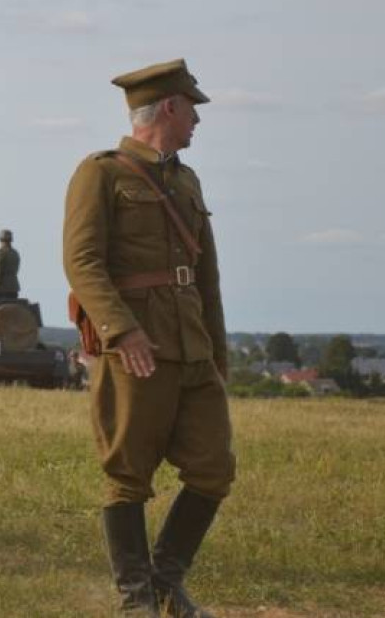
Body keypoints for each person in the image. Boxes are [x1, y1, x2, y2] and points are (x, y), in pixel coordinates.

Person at [63, 59, 232, 617]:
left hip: (191, 348)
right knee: (128, 473)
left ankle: (165, 581)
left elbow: (205, 278)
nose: (197, 123)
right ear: (169, 108)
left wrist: (219, 358)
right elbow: (82, 263)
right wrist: (121, 330)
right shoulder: (101, 173)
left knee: (214, 467)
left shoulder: (186, 179)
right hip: (135, 347)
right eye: (192, 110)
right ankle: (136, 599)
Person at [0, 228, 20, 302]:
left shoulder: (0, 253)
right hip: (14, 288)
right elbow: (16, 270)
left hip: (1, 289)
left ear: (0, 240)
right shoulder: (15, 253)